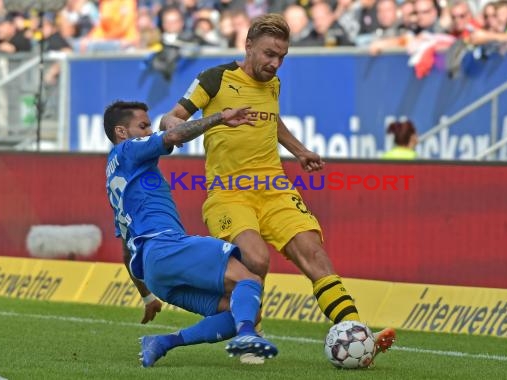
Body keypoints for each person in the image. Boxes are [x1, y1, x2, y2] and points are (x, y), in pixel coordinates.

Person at [159, 13, 395, 364]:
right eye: (270, 54)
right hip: (229, 192)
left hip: (275, 187)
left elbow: (273, 120)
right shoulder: (215, 79)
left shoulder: (273, 84)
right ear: (249, 45)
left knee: (315, 254)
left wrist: (300, 151)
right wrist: (214, 120)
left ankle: (357, 334)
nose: (275, 63)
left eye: (282, 56)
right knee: (256, 258)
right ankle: (249, 334)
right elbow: (171, 119)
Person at [104, 100, 278, 367]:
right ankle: (246, 338)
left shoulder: (117, 177)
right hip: (166, 245)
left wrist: (148, 295)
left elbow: (128, 250)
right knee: (250, 280)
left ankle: (162, 342)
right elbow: (173, 135)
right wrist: (221, 117)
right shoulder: (127, 150)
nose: (150, 131)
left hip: (155, 273)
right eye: (143, 126)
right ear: (122, 132)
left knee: (244, 310)